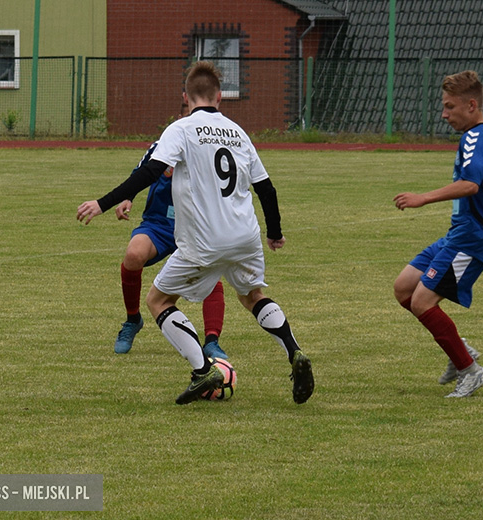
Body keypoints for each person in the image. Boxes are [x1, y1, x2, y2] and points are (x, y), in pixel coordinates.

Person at [77, 61, 314, 405]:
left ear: (185, 96)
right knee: (252, 296)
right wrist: (274, 232)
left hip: (204, 241)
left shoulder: (182, 128)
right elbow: (266, 188)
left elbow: (150, 172)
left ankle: (203, 370)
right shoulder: (238, 132)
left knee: (158, 301)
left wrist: (103, 202)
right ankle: (294, 351)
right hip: (245, 235)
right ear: (220, 97)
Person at [393, 70, 483, 398]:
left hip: (473, 238)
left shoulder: (474, 139)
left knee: (423, 302)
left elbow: (471, 184)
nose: (444, 113)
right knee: (403, 288)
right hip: (460, 233)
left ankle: (470, 370)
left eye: (449, 107)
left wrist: (423, 198)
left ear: (471, 105)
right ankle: (459, 351)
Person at [79, 105, 228, 361]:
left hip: (195, 226)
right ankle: (132, 320)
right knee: (133, 254)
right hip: (159, 224)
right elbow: (142, 173)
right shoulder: (163, 144)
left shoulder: (208, 150)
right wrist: (127, 197)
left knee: (210, 273)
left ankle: (212, 340)